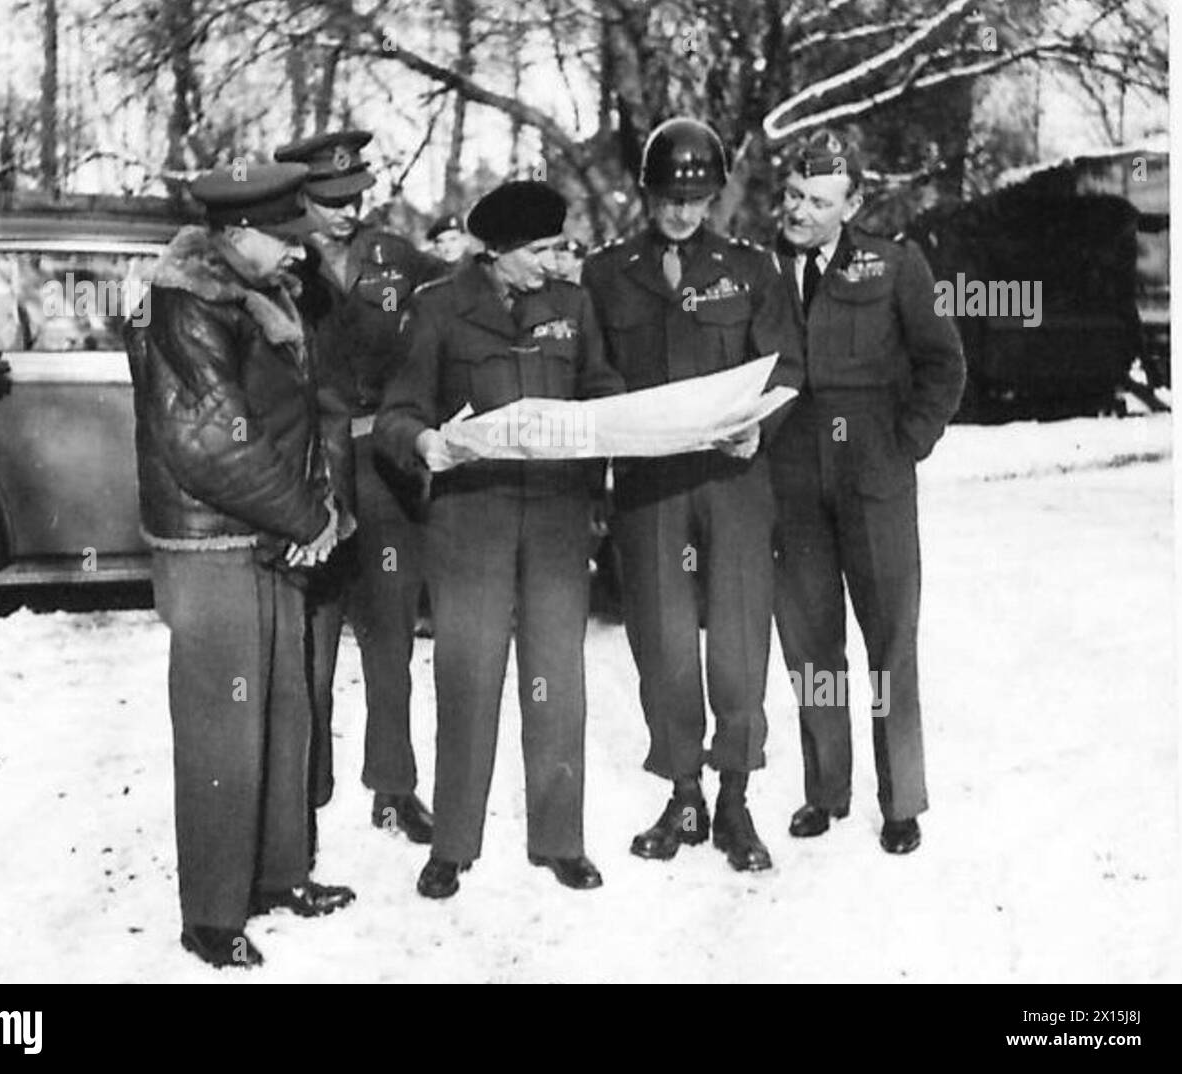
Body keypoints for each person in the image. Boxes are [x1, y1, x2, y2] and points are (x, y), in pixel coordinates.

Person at [126, 162, 356, 970]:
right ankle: (213, 913)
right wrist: (304, 518)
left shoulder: (264, 290)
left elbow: (298, 415)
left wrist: (316, 517)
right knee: (224, 730)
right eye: (284, 238)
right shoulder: (180, 303)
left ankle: (279, 874)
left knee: (284, 708)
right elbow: (210, 441)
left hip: (269, 532)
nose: (299, 252)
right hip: (213, 542)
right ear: (233, 235)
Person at [376, 180, 625, 899]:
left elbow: (603, 386)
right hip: (470, 523)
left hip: (554, 517)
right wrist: (426, 442)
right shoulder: (437, 310)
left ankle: (560, 840)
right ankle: (452, 844)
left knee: (558, 682)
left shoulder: (573, 306)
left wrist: (604, 424)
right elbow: (397, 414)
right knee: (466, 680)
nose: (555, 262)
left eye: (559, 248)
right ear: (494, 252)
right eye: (540, 251)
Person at [582, 117, 803, 873]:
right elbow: (594, 370)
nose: (682, 212)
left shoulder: (752, 267)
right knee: (663, 641)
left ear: (713, 196)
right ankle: (683, 792)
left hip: (733, 480)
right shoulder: (606, 273)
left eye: (697, 198)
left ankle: (736, 797)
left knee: (740, 641)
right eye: (668, 198)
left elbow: (788, 368)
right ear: (645, 193)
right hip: (650, 485)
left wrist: (757, 429)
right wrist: (624, 417)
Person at [768, 127, 965, 855]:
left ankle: (901, 801)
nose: (800, 212)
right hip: (791, 480)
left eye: (819, 201)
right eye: (793, 195)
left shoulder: (894, 264)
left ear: (851, 205)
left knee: (889, 645)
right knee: (811, 646)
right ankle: (825, 791)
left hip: (873, 479)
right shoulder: (759, 270)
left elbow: (945, 365)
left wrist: (907, 442)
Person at [273, 130, 444, 843]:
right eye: (329, 200)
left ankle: (394, 787)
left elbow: (453, 296)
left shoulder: (395, 256)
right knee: (310, 643)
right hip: (310, 470)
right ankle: (302, 795)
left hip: (382, 470)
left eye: (355, 198)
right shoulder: (278, 260)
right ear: (300, 195)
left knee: (391, 640)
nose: (345, 212)